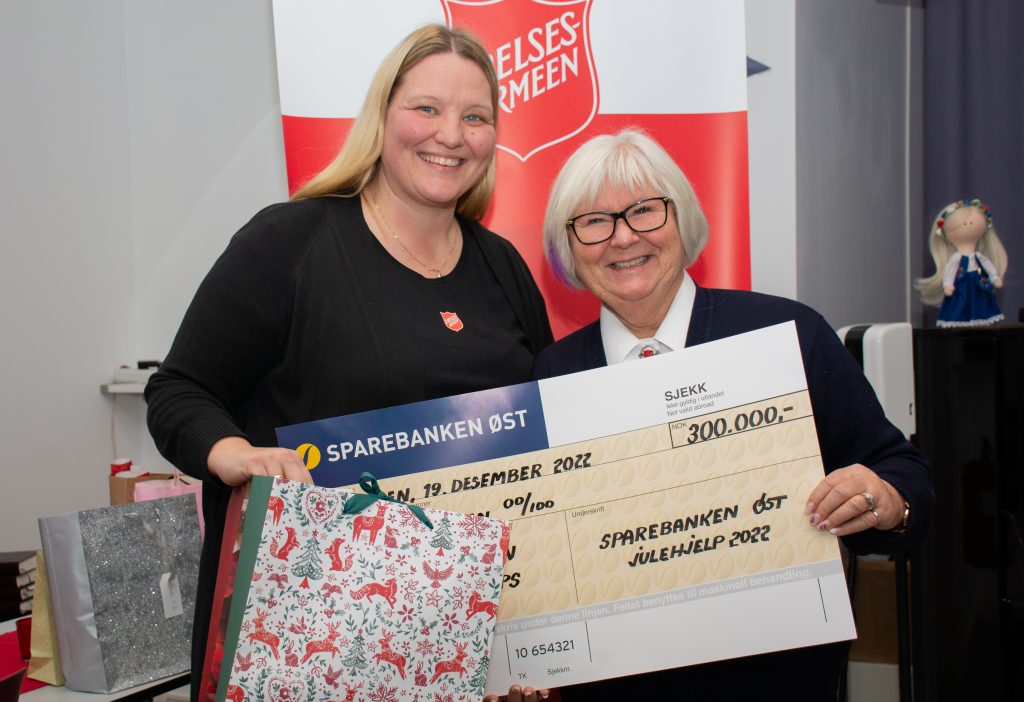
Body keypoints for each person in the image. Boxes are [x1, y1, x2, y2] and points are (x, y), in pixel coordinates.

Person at [145, 24, 552, 702]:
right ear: (382, 116)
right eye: (427, 108)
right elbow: (178, 390)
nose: (451, 134)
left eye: (475, 117)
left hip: (471, 642)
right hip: (309, 644)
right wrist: (235, 455)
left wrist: (537, 639)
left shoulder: (503, 268)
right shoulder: (290, 242)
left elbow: (544, 443)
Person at [533, 129, 934, 699]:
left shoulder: (788, 334)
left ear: (682, 218)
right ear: (569, 247)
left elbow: (903, 475)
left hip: (776, 684)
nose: (622, 237)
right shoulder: (552, 374)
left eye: (644, 211)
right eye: (594, 221)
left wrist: (884, 500)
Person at [916, 197, 1008, 327]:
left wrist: (994, 277)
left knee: (981, 301)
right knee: (961, 303)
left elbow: (987, 265)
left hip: (979, 282)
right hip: (962, 284)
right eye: (964, 223)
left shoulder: (979, 256)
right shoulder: (956, 258)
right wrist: (948, 284)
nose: (968, 225)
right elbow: (950, 271)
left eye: (972, 223)